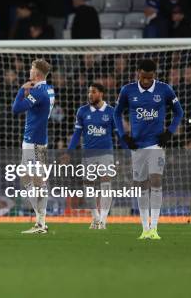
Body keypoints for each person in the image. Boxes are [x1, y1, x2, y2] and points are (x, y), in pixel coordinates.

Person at [114, 59, 184, 240]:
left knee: (156, 180)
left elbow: (179, 112)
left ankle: (154, 228)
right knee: (141, 186)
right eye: (143, 77)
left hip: (156, 144)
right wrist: (123, 135)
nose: (146, 81)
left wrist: (169, 132)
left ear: (155, 75)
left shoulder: (164, 89)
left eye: (149, 77)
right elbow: (116, 112)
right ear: (138, 73)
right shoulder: (127, 90)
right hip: (137, 145)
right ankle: (145, 228)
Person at [64, 83, 117, 229]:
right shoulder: (82, 111)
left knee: (106, 184)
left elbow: (119, 134)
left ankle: (104, 220)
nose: (90, 95)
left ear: (101, 94)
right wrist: (69, 152)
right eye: (89, 92)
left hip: (106, 153)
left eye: (93, 92)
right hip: (88, 155)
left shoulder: (112, 112)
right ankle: (95, 218)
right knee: (88, 187)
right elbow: (76, 135)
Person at [12, 59, 55, 234]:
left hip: (34, 142)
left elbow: (16, 108)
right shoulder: (49, 89)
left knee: (38, 181)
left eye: (31, 68)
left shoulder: (38, 92)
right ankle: (40, 220)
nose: (29, 71)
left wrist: (23, 89)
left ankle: (41, 222)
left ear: (36, 74)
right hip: (37, 140)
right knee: (26, 177)